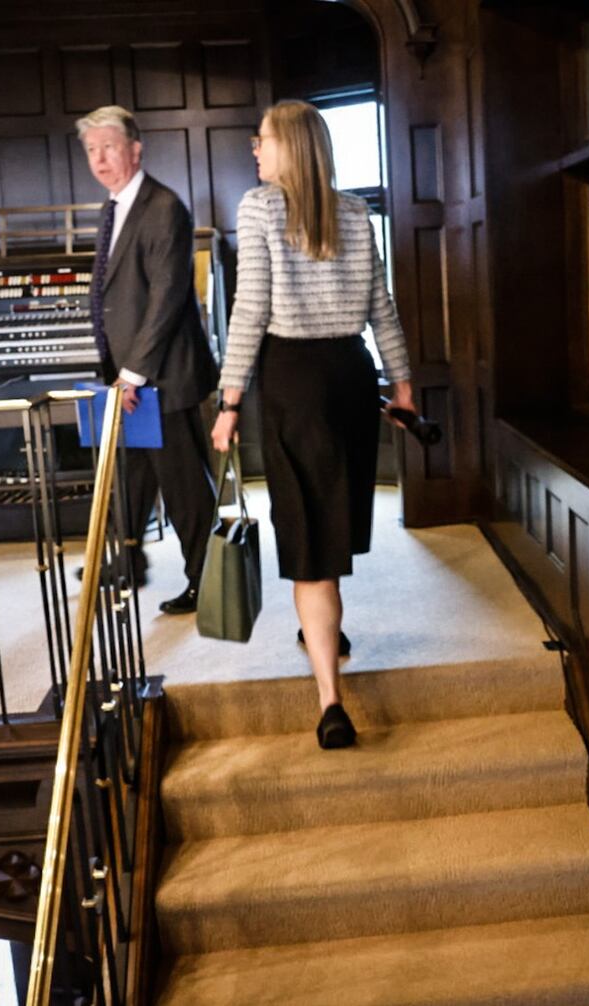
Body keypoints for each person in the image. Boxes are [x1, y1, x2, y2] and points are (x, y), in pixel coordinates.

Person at [211, 99, 415, 750]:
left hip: (295, 381)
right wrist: (403, 385)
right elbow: (382, 307)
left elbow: (248, 313)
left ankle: (331, 700)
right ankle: (324, 628)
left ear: (289, 146)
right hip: (351, 377)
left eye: (262, 139)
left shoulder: (261, 207)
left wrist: (230, 403)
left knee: (309, 549)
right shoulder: (355, 213)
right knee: (334, 527)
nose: (254, 148)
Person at [76, 105, 219, 615]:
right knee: (131, 472)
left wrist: (133, 373)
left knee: (183, 487)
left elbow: (164, 300)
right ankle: (129, 561)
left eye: (109, 147)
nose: (100, 159)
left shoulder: (163, 208)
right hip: (130, 374)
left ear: (135, 150)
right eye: (92, 150)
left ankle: (208, 583)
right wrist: (118, 371)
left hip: (164, 375)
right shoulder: (113, 205)